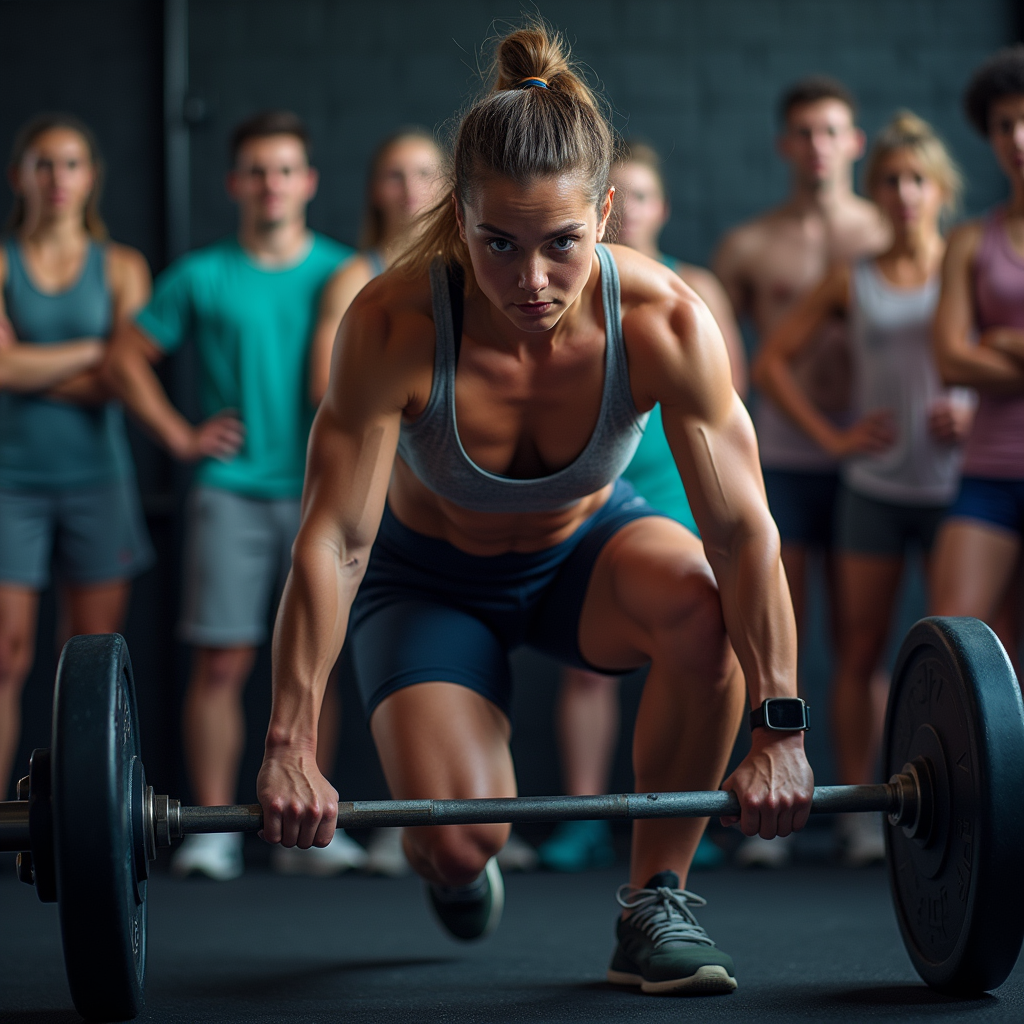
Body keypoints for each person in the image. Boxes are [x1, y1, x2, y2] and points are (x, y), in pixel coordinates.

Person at [257, 25, 812, 997]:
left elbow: (740, 532)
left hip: (585, 555)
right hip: (428, 579)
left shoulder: (664, 320)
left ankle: (654, 902)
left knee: (700, 604)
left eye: (562, 244)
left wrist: (781, 728)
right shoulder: (393, 322)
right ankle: (455, 865)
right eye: (497, 245)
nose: (531, 281)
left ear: (605, 211)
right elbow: (338, 539)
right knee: (464, 843)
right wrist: (289, 743)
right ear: (457, 216)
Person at [103, 111, 362, 880]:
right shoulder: (201, 275)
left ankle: (314, 828)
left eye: (285, 169)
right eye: (256, 170)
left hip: (325, 496)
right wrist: (181, 436)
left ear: (308, 183)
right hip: (230, 494)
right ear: (234, 183)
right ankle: (213, 831)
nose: (270, 183)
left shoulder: (344, 272)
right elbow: (124, 357)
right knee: (222, 664)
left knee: (319, 670)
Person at [754, 112, 970, 864]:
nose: (905, 192)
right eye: (890, 180)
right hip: (873, 487)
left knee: (961, 657)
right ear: (874, 191)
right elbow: (771, 363)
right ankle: (858, 813)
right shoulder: (856, 277)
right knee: (859, 651)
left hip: (956, 488)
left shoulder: (966, 264)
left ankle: (968, 803)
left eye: (917, 179)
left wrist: (971, 411)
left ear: (941, 189)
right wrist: (835, 437)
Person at [539, 141, 746, 873]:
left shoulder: (695, 290)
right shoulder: (566, 290)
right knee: (588, 668)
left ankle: (681, 819)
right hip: (600, 487)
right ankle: (586, 819)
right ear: (601, 209)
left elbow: (727, 405)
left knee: (698, 637)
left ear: (661, 208)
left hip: (683, 486)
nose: (630, 210)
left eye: (643, 195)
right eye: (617, 195)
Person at [714, 76, 889, 866]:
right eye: (804, 132)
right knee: (770, 637)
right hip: (780, 459)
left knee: (861, 644)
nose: (818, 145)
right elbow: (722, 367)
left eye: (832, 131)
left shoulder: (891, 232)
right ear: (785, 145)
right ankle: (765, 810)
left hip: (869, 463)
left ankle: (862, 810)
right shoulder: (750, 245)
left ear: (854, 142)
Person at [309, 127, 454, 875]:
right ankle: (321, 814)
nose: (409, 190)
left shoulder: (469, 275)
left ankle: (422, 825)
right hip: (371, 497)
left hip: (443, 505)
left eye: (424, 173)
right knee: (343, 652)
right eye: (394, 175)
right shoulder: (356, 280)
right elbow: (329, 388)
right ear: (376, 189)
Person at [0, 114, 154, 799]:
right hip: (11, 482)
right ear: (19, 176)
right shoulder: (2, 260)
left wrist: (25, 362)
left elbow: (126, 376)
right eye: (42, 163)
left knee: (86, 668)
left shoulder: (122, 266)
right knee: (7, 656)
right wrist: (97, 349)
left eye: (70, 164)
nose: (56, 178)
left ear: (90, 178)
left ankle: (80, 824)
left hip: (99, 482)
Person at [931, 46, 1024, 669]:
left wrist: (1002, 340)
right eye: (1003, 125)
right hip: (989, 473)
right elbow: (950, 360)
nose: (1017, 137)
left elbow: (974, 350)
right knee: (956, 649)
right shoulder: (971, 240)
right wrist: (978, 351)